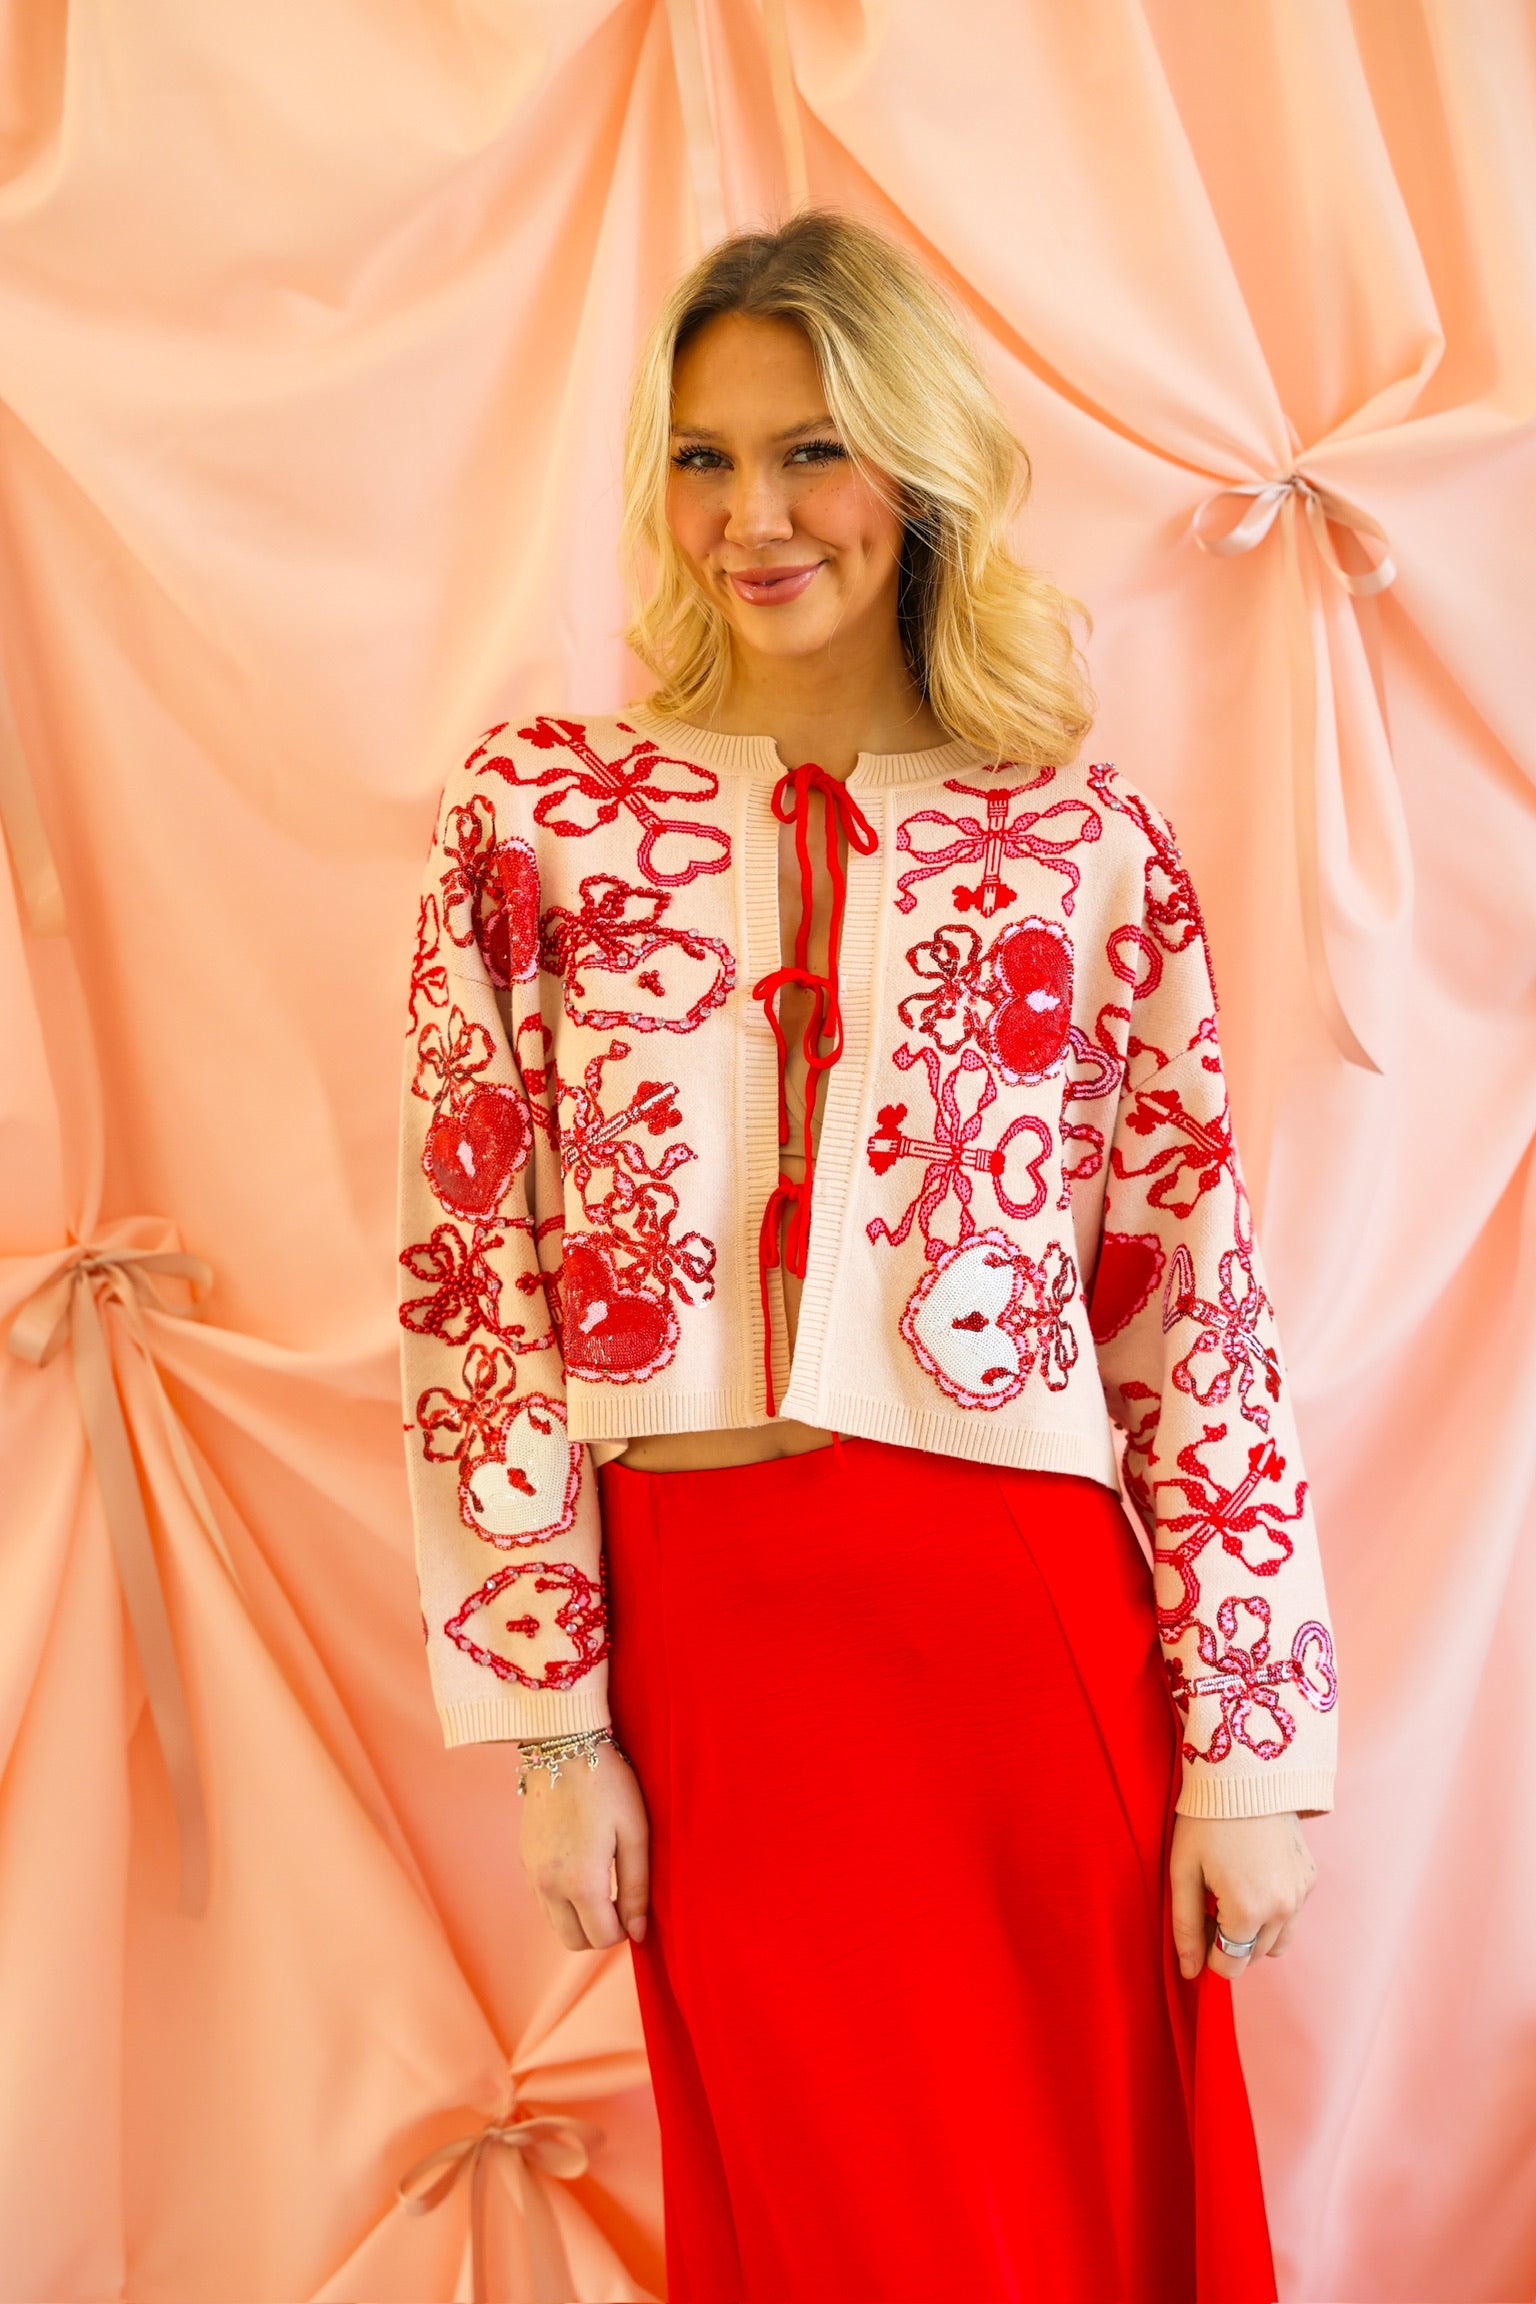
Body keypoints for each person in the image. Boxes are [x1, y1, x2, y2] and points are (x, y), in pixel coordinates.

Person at [396, 210, 1338, 2304]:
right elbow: (476, 1280)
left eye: (811, 450)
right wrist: (557, 1733)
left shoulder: (1079, 842)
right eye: (704, 457)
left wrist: (1247, 1757)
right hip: (718, 1662)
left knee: (1072, 2225)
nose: (753, 516)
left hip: (1020, 1640)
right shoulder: (537, 816)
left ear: (915, 468)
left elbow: (1194, 1307)